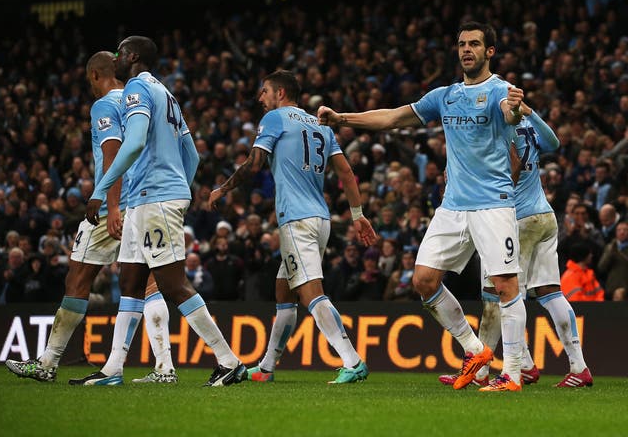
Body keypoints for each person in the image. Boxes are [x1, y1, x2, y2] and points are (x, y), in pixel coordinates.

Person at [319, 21, 527, 391]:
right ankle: (475, 350)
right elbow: (393, 117)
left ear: (489, 52)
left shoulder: (499, 91)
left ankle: (510, 374)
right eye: (462, 43)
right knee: (423, 280)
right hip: (453, 206)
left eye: (475, 44)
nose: (467, 49)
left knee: (506, 285)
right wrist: (342, 119)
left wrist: (516, 110)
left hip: (493, 204)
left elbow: (511, 115)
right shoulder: (444, 96)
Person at [71, 37, 245, 387]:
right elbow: (191, 155)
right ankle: (113, 369)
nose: (116, 59)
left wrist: (101, 190)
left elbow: (133, 142)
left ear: (132, 57)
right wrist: (181, 187)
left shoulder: (136, 88)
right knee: (131, 282)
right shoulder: (166, 94)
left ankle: (229, 361)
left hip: (154, 196)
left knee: (172, 283)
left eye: (119, 53)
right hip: (146, 198)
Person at [5, 51, 177, 384]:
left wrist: (110, 206)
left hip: (113, 206)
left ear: (96, 76)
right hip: (146, 200)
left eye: (89, 81)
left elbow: (112, 152)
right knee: (150, 283)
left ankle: (47, 363)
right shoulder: (136, 98)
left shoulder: (104, 105)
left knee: (78, 280)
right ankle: (164, 367)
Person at [208, 70, 377, 383]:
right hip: (321, 219)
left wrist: (223, 188)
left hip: (296, 220)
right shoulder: (321, 125)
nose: (261, 98)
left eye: (264, 91)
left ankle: (353, 361)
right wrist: (357, 214)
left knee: (311, 292)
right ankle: (268, 366)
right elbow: (346, 172)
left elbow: (255, 163)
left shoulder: (275, 119)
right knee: (284, 291)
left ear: (280, 94)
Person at [440, 100, 594, 388]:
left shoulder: (499, 128)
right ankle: (578, 367)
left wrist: (488, 195)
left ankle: (483, 372)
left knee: (497, 294)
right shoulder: (526, 125)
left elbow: (511, 164)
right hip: (544, 215)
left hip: (515, 219)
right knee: (549, 291)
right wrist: (530, 112)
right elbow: (554, 142)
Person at [598, 220, 628, 301]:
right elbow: (601, 268)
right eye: (619, 230)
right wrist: (611, 252)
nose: (622, 232)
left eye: (625, 230)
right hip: (612, 288)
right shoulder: (610, 247)